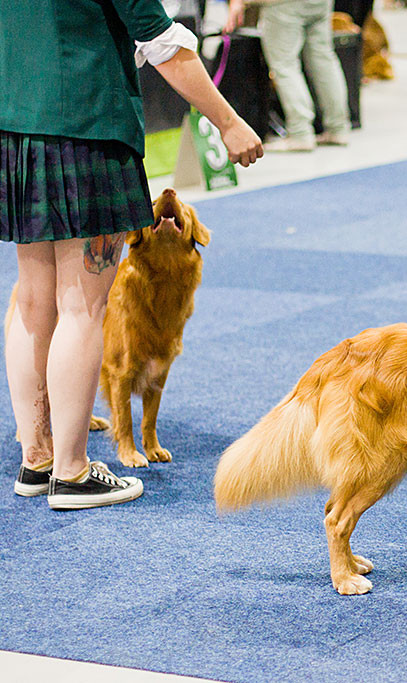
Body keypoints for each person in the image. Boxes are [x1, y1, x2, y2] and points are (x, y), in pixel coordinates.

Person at [2, 0, 263, 510]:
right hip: (86, 129)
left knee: (33, 302)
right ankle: (72, 473)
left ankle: (37, 459)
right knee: (83, 307)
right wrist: (228, 121)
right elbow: (161, 40)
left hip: (15, 128)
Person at [226, 0, 352, 152]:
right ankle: (338, 129)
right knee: (324, 59)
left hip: (283, 4)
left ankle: (301, 134)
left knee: (285, 65)